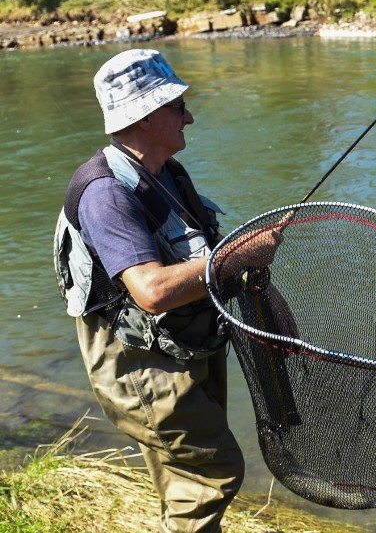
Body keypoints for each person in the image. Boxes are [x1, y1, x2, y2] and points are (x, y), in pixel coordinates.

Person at [53, 49, 278, 532]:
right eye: (178, 107)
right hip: (139, 362)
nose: (189, 117)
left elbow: (204, 255)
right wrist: (239, 254)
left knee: (182, 481)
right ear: (146, 114)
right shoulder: (105, 194)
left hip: (181, 344)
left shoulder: (168, 173)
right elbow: (151, 292)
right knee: (212, 470)